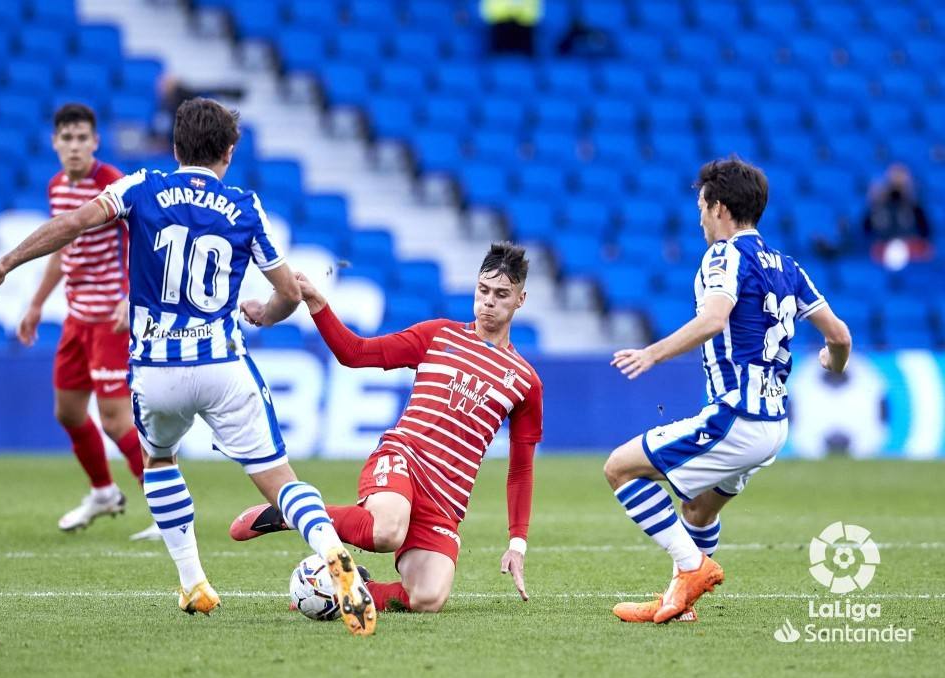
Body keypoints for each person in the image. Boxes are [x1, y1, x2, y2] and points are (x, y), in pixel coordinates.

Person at [0, 98, 375, 636]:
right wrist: (265, 315)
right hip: (223, 365)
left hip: (156, 369)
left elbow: (74, 223)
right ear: (229, 151)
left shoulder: (140, 187)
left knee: (159, 461)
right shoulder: (245, 205)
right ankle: (331, 551)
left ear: (176, 148)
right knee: (278, 480)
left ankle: (194, 582)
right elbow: (289, 292)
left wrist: (3, 264)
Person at [230, 242, 543, 613]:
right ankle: (293, 512)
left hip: (446, 498)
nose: (488, 302)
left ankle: (351, 586)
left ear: (520, 300)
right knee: (386, 531)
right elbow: (356, 352)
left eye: (501, 294)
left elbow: (521, 468)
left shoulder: (525, 382)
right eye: (483, 290)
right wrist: (317, 302)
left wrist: (517, 544)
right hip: (404, 459)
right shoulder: (439, 336)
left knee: (427, 598)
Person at [604, 158, 852, 624]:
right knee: (697, 509)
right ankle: (681, 604)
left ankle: (693, 566)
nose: (699, 217)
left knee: (619, 469)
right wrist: (832, 365)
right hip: (774, 424)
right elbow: (839, 337)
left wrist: (653, 354)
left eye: (701, 206)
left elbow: (715, 318)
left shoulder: (724, 255)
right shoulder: (787, 266)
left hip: (736, 416)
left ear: (718, 207)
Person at [17, 103, 157, 540]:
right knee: (69, 411)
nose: (75, 146)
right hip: (76, 319)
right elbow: (63, 250)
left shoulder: (111, 183)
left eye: (83, 139)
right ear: (55, 143)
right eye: (67, 139)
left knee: (116, 420)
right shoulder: (57, 186)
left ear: (94, 142)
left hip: (109, 321)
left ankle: (165, 508)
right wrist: (38, 302)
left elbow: (144, 238)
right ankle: (102, 492)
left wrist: (132, 297)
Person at [862, 163, 933, 269]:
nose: (897, 182)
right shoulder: (878, 205)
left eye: (901, 178)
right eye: (894, 178)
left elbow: (926, 231)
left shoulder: (914, 205)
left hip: (909, 249)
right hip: (882, 248)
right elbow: (866, 230)